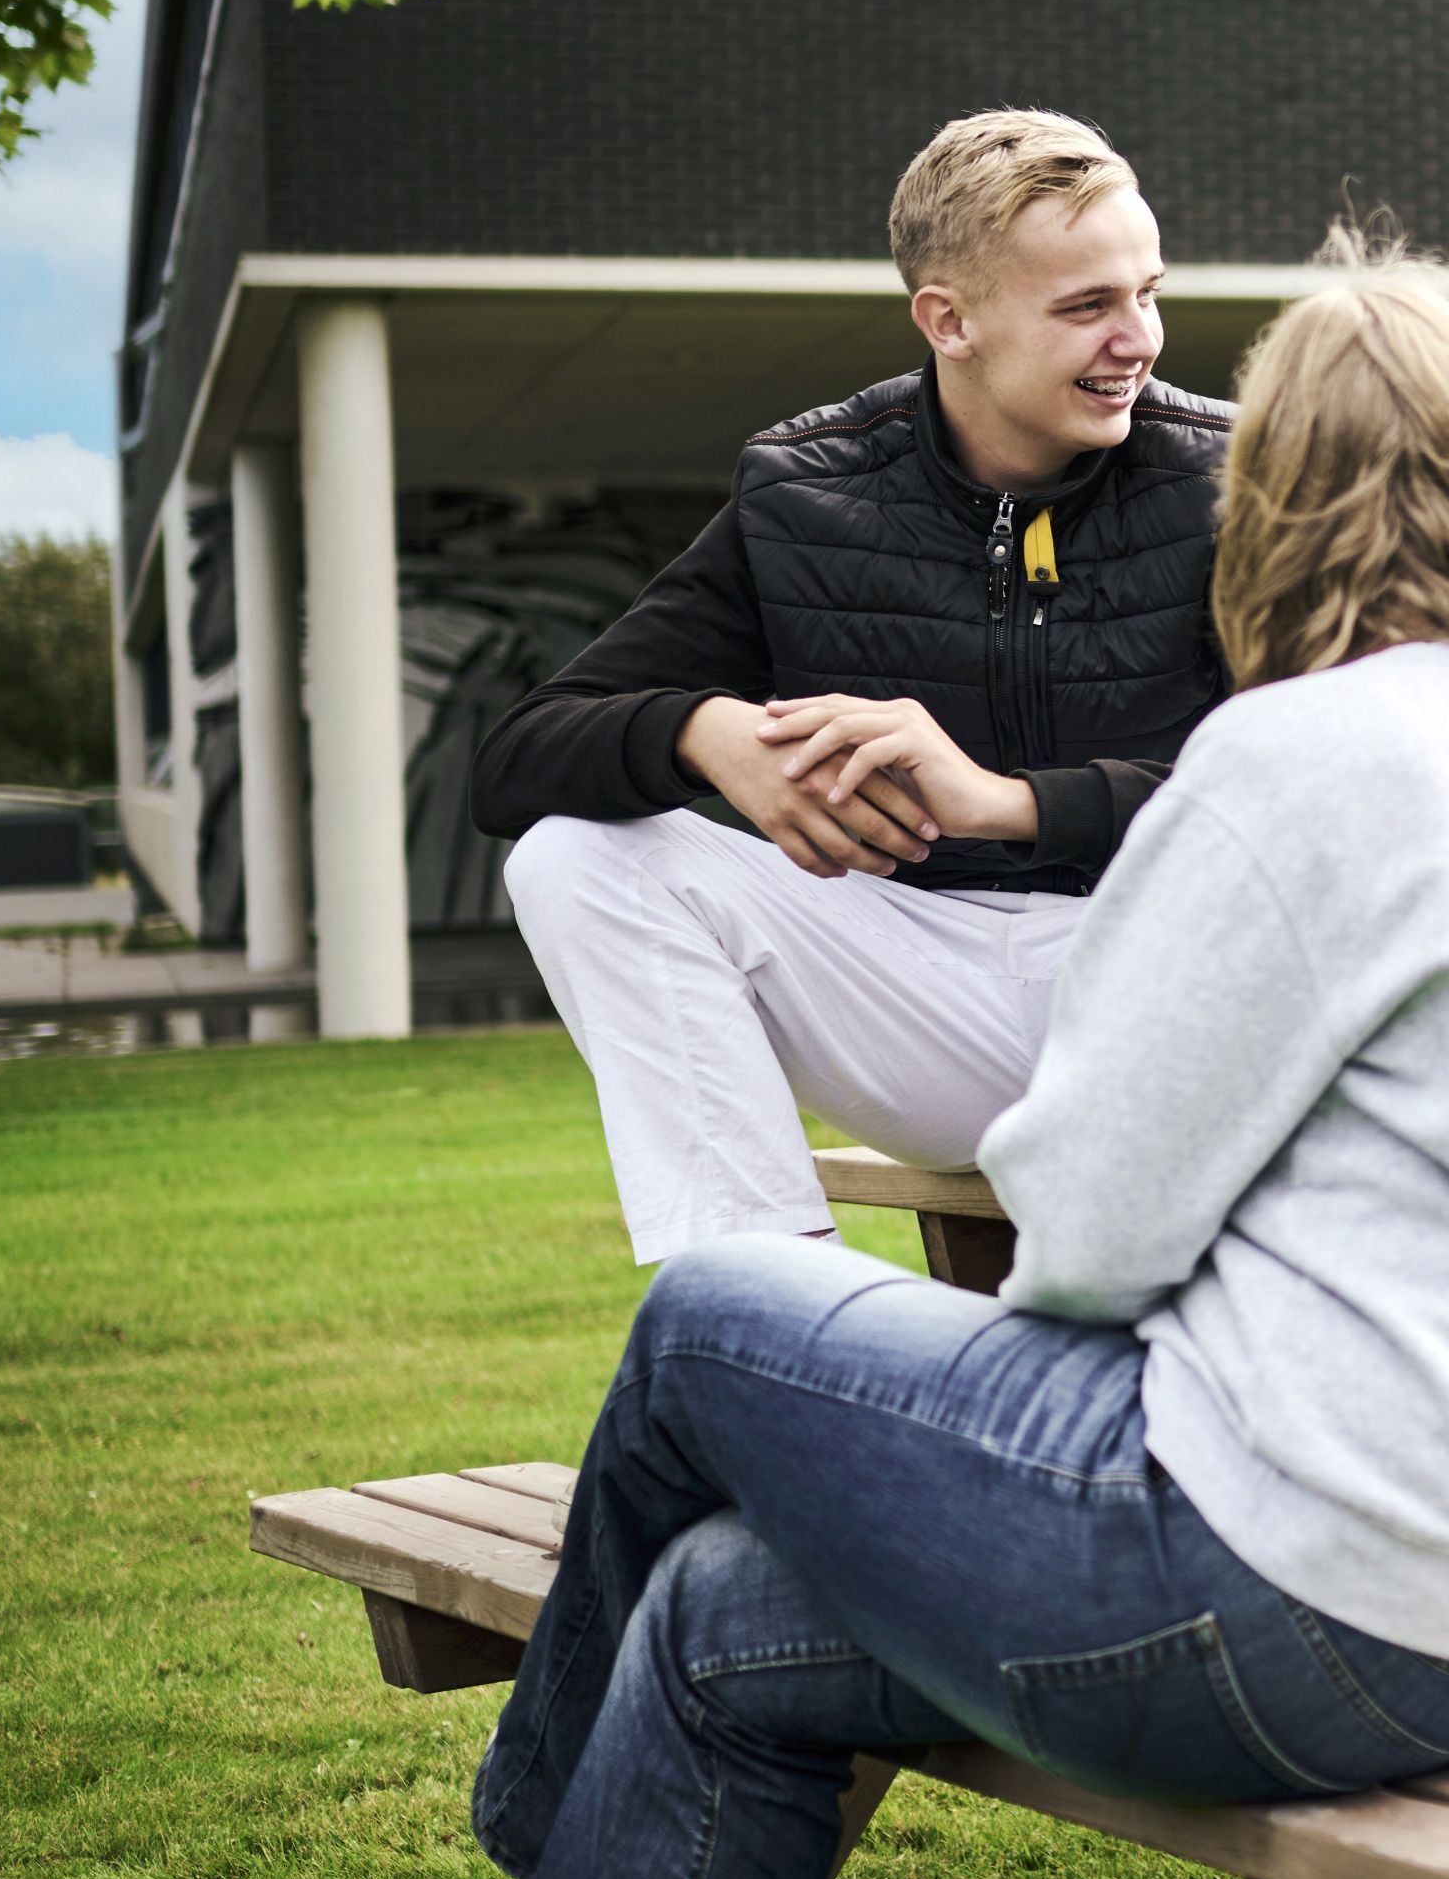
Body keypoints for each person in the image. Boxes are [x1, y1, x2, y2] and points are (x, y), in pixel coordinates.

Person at [455, 255, 1449, 1879]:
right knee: (713, 1615)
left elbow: (1088, 1238)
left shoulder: (1291, 756)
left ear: (1273, 501)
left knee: (713, 1319)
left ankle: (528, 1817)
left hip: (1273, 1593)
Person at [472, 109, 1234, 1261]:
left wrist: (1008, 803)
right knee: (573, 856)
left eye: (1147, 291)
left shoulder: (1241, 479)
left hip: (1180, 995)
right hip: (923, 1000)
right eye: (1087, 307)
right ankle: (769, 1300)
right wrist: (704, 732)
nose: (1139, 338)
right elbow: (518, 758)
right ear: (949, 319)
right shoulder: (807, 491)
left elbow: (1333, 793)